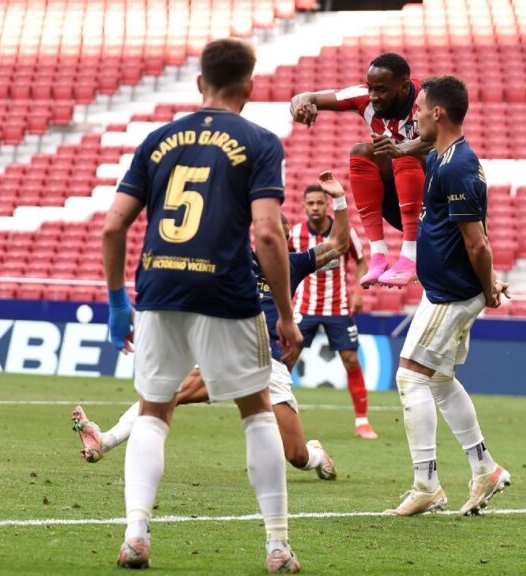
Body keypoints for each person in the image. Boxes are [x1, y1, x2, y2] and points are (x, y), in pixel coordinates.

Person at [101, 39, 302, 573]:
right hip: (225, 291)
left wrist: (118, 302)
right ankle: (277, 545)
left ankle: (135, 535)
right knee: (256, 409)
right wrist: (285, 315)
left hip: (160, 287)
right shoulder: (260, 141)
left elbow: (114, 225)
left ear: (199, 83)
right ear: (249, 87)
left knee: (153, 411)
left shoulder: (158, 139)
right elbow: (267, 233)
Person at [76, 171, 355, 484]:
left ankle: (316, 455)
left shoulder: (294, 263)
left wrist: (339, 199)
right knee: (165, 392)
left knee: (296, 455)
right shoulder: (236, 261)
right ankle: (105, 440)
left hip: (268, 364)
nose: (272, 238)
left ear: (286, 239)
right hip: (227, 352)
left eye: (279, 234)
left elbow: (339, 243)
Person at [386, 77, 512, 517]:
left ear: (437, 112)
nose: (415, 114)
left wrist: (489, 286)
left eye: (419, 107)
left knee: (410, 378)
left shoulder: (457, 165)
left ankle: (426, 485)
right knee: (438, 381)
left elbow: (476, 241)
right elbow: (474, 232)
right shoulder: (445, 157)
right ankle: (485, 470)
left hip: (451, 295)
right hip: (446, 290)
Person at [290, 52, 433, 289]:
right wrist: (301, 106)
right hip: (399, 203)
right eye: (370, 88)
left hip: (434, 201)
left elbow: (447, 141)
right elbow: (305, 96)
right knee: (361, 151)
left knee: (402, 153)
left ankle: (411, 254)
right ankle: (379, 255)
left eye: (382, 90)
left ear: (404, 86)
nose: (374, 96)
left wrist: (402, 148)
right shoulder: (364, 98)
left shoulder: (427, 98)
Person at [289, 184, 377, 439]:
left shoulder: (344, 231)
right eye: (310, 203)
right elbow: (283, 264)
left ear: (327, 205)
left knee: (351, 360)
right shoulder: (295, 234)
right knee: (287, 359)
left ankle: (362, 421)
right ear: (304, 206)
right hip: (305, 306)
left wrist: (359, 291)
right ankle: (276, 416)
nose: (315, 207)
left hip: (337, 306)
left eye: (320, 202)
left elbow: (361, 261)